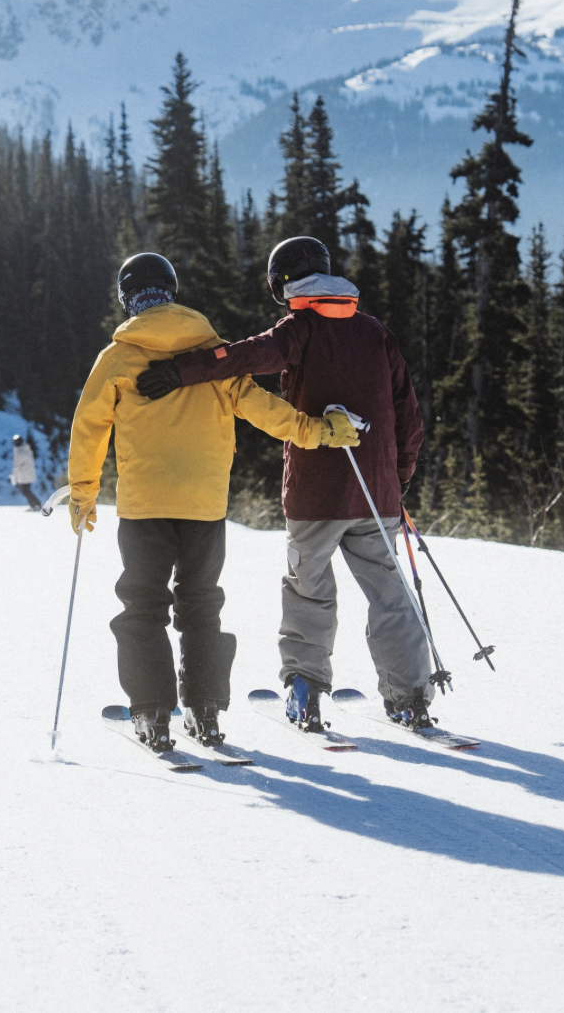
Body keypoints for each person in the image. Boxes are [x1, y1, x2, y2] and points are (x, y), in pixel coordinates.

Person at [137, 235, 432, 734]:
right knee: (391, 594)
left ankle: (304, 692)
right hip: (377, 495)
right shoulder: (376, 332)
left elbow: (242, 358)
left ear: (285, 282)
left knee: (309, 591)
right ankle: (409, 700)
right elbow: (409, 414)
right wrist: (396, 480)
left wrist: (179, 371)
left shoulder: (299, 329)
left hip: (315, 495)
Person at [68, 251, 358, 753]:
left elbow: (89, 426)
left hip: (144, 506)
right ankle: (205, 711)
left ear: (128, 299)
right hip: (205, 506)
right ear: (173, 291)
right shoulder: (213, 353)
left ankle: (154, 714)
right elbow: (266, 410)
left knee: (142, 606)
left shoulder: (117, 356)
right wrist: (320, 432)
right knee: (201, 607)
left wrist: (83, 492)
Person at [11, 434, 41, 510]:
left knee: (25, 490)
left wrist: (14, 474)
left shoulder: (21, 450)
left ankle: (36, 504)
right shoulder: (24, 448)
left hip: (25, 473)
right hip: (25, 474)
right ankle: (34, 505)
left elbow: (18, 464)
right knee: (25, 490)